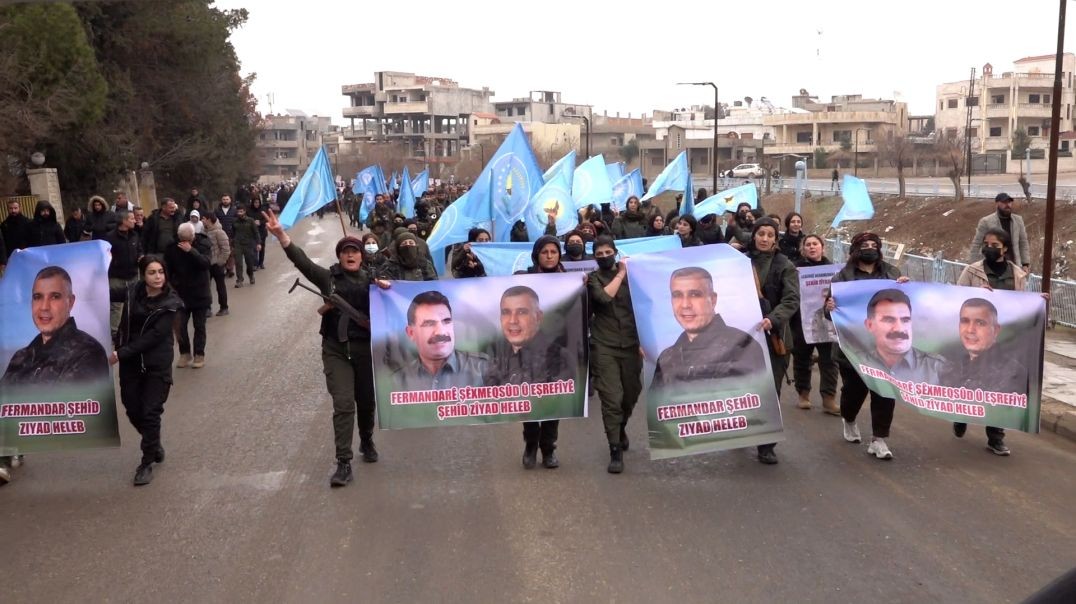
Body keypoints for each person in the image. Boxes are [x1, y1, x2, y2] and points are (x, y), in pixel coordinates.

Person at [264, 209, 387, 487]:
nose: (350, 255)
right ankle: (343, 462)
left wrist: (388, 289)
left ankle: (366, 439)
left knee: (366, 402)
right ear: (340, 256)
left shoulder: (373, 280)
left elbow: (399, 300)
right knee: (343, 404)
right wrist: (282, 236)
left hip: (366, 349)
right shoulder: (328, 278)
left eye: (355, 251)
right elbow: (302, 262)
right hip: (336, 350)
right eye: (345, 252)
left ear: (362, 256)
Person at [826, 232, 908, 460]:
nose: (870, 249)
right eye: (864, 245)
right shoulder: (842, 278)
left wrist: (907, 287)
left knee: (884, 392)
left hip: (884, 347)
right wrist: (829, 307)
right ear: (855, 250)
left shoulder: (892, 274)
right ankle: (849, 418)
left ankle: (878, 440)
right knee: (854, 392)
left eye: (874, 245)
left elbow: (905, 301)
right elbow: (828, 312)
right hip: (853, 348)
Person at [110, 255, 183, 486]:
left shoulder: (171, 303)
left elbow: (154, 337)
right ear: (143, 275)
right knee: (132, 409)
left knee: (151, 412)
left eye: (160, 272)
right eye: (152, 272)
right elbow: (105, 293)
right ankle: (153, 443)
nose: (157, 277)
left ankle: (146, 462)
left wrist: (120, 353)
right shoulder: (132, 291)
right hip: (131, 363)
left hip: (156, 364)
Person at [485, 283, 575, 470]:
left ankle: (548, 449)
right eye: (506, 312)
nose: (513, 320)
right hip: (525, 405)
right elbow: (489, 383)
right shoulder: (496, 353)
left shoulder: (557, 353)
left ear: (538, 316)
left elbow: (563, 391)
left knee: (549, 411)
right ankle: (531, 446)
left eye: (522, 312)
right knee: (526, 408)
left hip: (547, 403)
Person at [650, 265, 769, 403]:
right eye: (677, 295)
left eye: (695, 294)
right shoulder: (667, 357)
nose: (685, 304)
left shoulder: (744, 346)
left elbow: (757, 405)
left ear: (713, 299)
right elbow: (657, 407)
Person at [941, 298, 1027, 456]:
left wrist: (1041, 303)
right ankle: (960, 417)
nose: (970, 330)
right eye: (965, 321)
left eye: (980, 323)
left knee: (998, 400)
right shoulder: (949, 364)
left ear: (996, 330)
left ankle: (995, 438)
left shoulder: (1012, 370)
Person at [0, 266, 110, 386]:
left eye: (55, 297)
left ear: (70, 302)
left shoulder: (88, 353)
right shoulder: (21, 356)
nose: (44, 307)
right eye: (38, 297)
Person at [747, 218, 800, 464]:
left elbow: (791, 300)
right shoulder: (741, 261)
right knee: (743, 389)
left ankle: (766, 444)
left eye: (770, 235)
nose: (765, 238)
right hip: (744, 338)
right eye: (761, 234)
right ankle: (740, 431)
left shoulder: (784, 265)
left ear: (775, 239)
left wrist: (773, 319)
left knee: (770, 391)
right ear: (754, 236)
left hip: (774, 337)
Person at [587, 236, 642, 473]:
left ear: (615, 252)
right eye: (599, 254)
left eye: (608, 252)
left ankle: (620, 428)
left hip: (631, 344)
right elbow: (603, 297)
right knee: (612, 398)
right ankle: (615, 449)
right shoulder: (593, 279)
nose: (604, 257)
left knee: (630, 394)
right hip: (604, 345)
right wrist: (620, 274)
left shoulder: (634, 276)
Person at [392, 291, 488, 390]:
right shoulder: (399, 380)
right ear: (411, 333)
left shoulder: (484, 369)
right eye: (429, 323)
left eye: (446, 321)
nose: (441, 332)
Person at [791, 234, 840, 414]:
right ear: (803, 249)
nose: (812, 247)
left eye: (815, 244)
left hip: (827, 321)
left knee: (829, 361)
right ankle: (803, 394)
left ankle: (829, 398)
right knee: (802, 358)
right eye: (808, 244)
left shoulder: (834, 271)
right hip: (801, 320)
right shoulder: (795, 269)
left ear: (822, 247)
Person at [860, 288, 945, 384]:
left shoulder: (938, 368)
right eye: (889, 320)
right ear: (870, 325)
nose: (899, 329)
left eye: (905, 320)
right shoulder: (858, 363)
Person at [164, 223, 212, 368]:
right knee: (180, 326)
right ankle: (184, 353)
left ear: (193, 236)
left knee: (199, 326)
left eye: (188, 240)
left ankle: (199, 354)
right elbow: (167, 270)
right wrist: (170, 287)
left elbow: (206, 263)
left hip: (200, 292)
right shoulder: (172, 248)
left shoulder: (203, 243)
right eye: (182, 240)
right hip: (181, 294)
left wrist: (192, 251)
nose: (185, 242)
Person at [969, 193, 1030, 272]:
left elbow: (1023, 243)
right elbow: (977, 243)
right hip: (993, 265)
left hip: (1014, 265)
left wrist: (1025, 263)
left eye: (1009, 202)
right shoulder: (986, 221)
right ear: (997, 203)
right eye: (1004, 202)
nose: (1007, 205)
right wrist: (972, 265)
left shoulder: (1018, 220)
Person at [104, 210, 142, 335]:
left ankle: (133, 330)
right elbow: (105, 256)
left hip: (133, 275)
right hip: (116, 277)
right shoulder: (110, 237)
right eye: (131, 218)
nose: (135, 220)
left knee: (134, 304)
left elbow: (139, 249)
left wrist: (140, 256)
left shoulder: (135, 235)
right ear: (124, 221)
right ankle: (114, 333)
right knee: (116, 306)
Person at [201, 213, 230, 316]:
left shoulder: (219, 232)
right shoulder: (203, 231)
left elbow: (226, 249)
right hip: (206, 264)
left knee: (220, 287)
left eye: (203, 218)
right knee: (205, 287)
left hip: (217, 264)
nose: (202, 220)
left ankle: (224, 307)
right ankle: (207, 308)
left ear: (209, 220)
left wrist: (220, 262)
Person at [231, 205, 260, 287]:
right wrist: (232, 244)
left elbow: (256, 232)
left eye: (241, 211)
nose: (239, 213)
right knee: (238, 263)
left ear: (244, 211)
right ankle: (239, 280)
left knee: (249, 263)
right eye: (238, 212)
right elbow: (232, 233)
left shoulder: (250, 220)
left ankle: (251, 276)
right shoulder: (234, 221)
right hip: (238, 244)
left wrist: (258, 243)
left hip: (248, 244)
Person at [250, 197, 269, 269]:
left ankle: (261, 263)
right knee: (254, 248)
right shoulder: (249, 210)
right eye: (255, 202)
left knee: (262, 248)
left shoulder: (263, 210)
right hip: (253, 232)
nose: (257, 204)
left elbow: (267, 219)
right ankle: (255, 263)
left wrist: (260, 222)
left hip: (262, 231)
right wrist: (253, 222)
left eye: (258, 202)